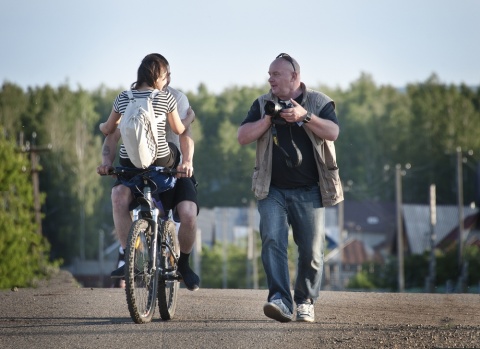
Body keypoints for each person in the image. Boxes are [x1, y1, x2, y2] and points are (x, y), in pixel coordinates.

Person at [237, 53, 343, 322]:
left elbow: (333, 132)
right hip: (271, 189)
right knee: (273, 240)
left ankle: (305, 300)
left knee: (311, 249)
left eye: (276, 74)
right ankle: (280, 300)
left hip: (310, 189)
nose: (269, 79)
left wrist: (304, 116)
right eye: (269, 74)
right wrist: (268, 120)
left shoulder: (319, 101)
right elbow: (242, 137)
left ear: (294, 76)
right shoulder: (263, 104)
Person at [97, 53, 200, 291]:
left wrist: (188, 162)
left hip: (162, 166)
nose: (168, 80)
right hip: (163, 159)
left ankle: (183, 264)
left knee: (188, 214)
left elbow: (108, 129)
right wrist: (105, 159)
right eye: (166, 75)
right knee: (118, 197)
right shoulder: (161, 99)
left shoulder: (128, 98)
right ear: (159, 76)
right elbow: (181, 128)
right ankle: (126, 256)